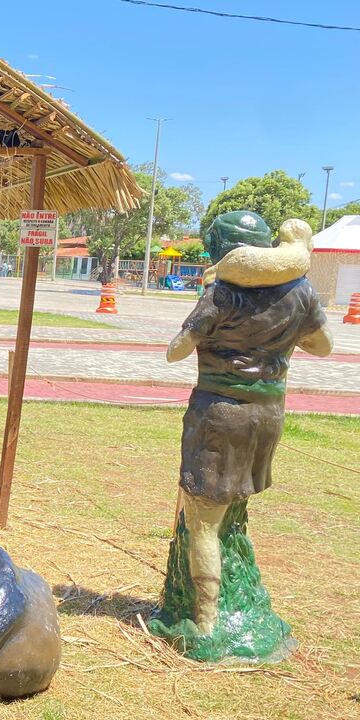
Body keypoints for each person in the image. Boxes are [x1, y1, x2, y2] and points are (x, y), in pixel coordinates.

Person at [162, 211, 332, 639]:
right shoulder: (301, 291)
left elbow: (176, 352)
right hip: (269, 415)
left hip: (220, 414)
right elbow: (324, 347)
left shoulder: (220, 293)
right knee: (232, 505)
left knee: (204, 520)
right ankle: (222, 600)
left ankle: (205, 621)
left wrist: (203, 312)